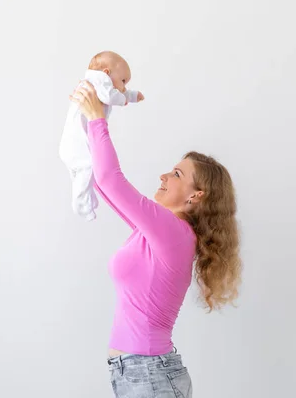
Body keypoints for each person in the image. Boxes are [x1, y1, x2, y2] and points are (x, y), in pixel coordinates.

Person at [69, 81, 242, 398]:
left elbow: (111, 179)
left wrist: (98, 120)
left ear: (196, 196)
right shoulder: (157, 232)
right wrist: (94, 114)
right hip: (142, 374)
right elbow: (105, 187)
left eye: (177, 174)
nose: (163, 176)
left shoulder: (174, 232)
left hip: (148, 376)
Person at [59, 51, 144, 221]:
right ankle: (82, 206)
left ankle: (86, 199)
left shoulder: (94, 84)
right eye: (123, 81)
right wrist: (125, 100)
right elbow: (111, 96)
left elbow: (116, 93)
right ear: (106, 73)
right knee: (87, 169)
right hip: (77, 145)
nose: (124, 87)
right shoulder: (99, 82)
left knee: (82, 175)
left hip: (71, 145)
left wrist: (132, 96)